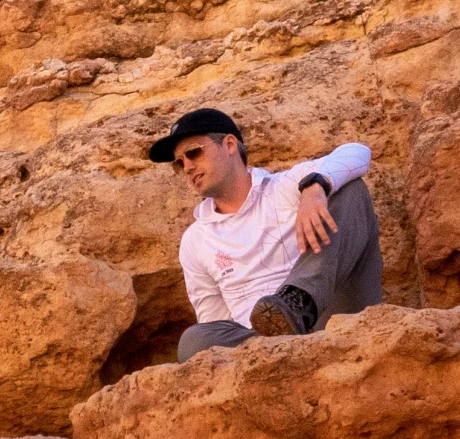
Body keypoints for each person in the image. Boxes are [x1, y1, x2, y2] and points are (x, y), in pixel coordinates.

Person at [148, 107, 383, 362]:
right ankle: (277, 342)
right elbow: (214, 321)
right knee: (194, 340)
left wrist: (316, 187)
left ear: (229, 145)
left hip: (332, 320)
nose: (187, 167)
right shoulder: (195, 241)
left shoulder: (284, 188)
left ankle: (299, 301)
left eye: (193, 152)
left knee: (349, 188)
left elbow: (357, 152)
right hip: (260, 347)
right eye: (179, 163)